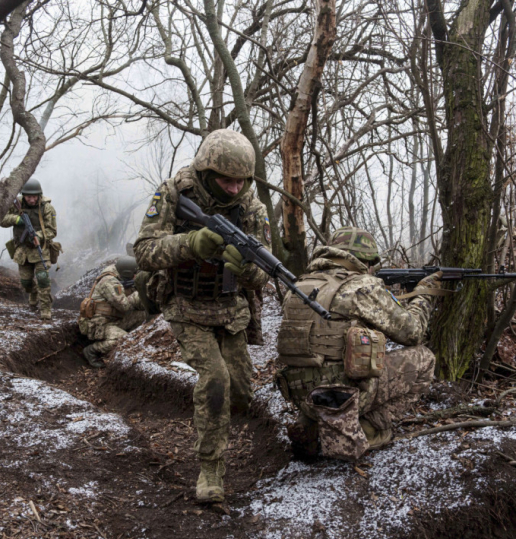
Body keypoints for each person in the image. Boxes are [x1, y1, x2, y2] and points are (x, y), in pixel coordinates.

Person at [134, 129, 271, 503]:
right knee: (215, 380)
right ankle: (210, 470)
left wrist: (244, 267)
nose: (234, 188)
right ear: (207, 172)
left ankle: (215, 421)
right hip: (186, 305)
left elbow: (264, 276)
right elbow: (143, 252)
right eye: (227, 180)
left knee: (240, 392)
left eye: (241, 181)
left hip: (231, 311)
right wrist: (189, 244)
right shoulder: (175, 194)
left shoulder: (252, 209)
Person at [275, 227, 442, 460]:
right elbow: (412, 333)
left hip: (301, 396)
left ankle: (311, 424)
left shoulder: (300, 285)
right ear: (364, 259)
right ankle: (366, 428)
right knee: (424, 358)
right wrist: (424, 294)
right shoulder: (362, 286)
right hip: (345, 399)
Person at [1, 178, 56, 320]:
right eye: (28, 196)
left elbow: (52, 230)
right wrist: (16, 219)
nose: (31, 199)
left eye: (34, 196)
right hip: (22, 250)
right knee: (26, 282)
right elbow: (1, 219)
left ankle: (45, 308)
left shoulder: (46, 207)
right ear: (24, 195)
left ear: (39, 194)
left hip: (40, 248)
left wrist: (38, 235)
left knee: (43, 278)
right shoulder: (17, 204)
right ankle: (33, 294)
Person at [79, 256, 145, 368]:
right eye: (134, 273)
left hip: (114, 319)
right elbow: (124, 306)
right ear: (127, 272)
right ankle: (91, 351)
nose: (135, 275)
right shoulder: (109, 282)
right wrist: (139, 293)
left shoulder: (120, 275)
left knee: (142, 315)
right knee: (122, 340)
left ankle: (131, 341)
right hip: (100, 324)